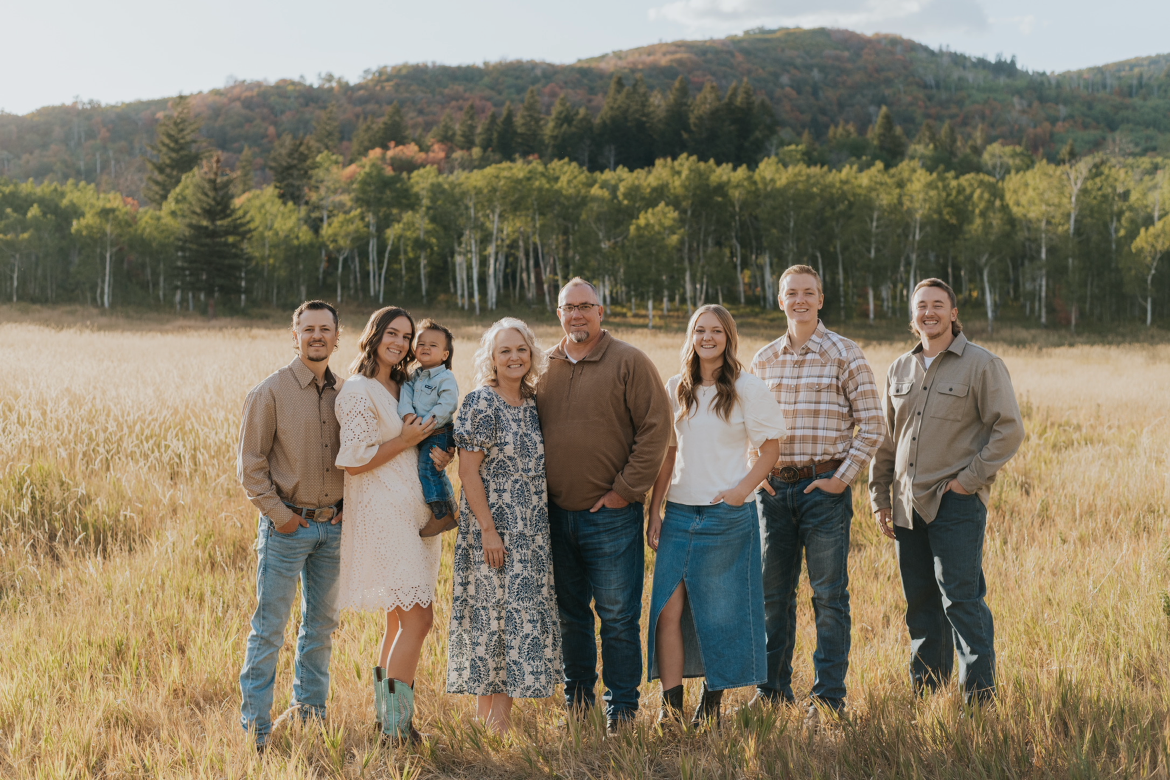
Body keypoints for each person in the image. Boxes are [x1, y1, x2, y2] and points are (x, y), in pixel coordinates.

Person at [869, 278, 1023, 705]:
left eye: (938, 305)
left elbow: (1009, 430)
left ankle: (979, 700)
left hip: (954, 504)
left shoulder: (981, 364)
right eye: (921, 306)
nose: (929, 313)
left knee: (962, 601)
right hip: (905, 506)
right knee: (920, 604)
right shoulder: (899, 368)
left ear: (953, 313)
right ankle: (928, 695)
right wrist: (880, 497)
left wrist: (966, 483)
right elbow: (886, 439)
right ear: (913, 315)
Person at [749, 265, 884, 724]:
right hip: (773, 491)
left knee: (829, 596)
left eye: (809, 293)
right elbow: (751, 426)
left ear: (821, 299)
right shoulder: (764, 359)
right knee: (773, 596)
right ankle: (772, 690)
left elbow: (873, 423)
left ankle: (828, 699)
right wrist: (757, 472)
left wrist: (842, 478)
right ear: (781, 300)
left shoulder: (845, 353)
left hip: (823, 489)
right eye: (792, 293)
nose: (800, 300)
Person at [536, 277, 673, 733]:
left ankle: (623, 710)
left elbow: (657, 430)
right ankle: (578, 703)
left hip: (611, 517)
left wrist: (624, 492)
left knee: (617, 617)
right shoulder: (543, 366)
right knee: (570, 615)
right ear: (559, 313)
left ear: (601, 311)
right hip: (556, 516)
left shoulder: (629, 361)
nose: (577, 314)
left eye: (585, 306)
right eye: (568, 307)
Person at [646, 305, 788, 728]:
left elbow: (771, 450)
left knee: (718, 614)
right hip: (678, 514)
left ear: (728, 337)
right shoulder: (675, 388)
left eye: (716, 331)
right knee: (666, 613)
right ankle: (670, 712)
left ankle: (710, 709)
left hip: (726, 516)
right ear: (690, 337)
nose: (707, 338)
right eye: (699, 331)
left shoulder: (748, 387)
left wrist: (740, 492)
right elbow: (668, 455)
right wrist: (655, 510)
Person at [333, 306, 449, 743]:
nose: (400, 343)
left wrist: (439, 452)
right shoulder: (358, 390)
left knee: (398, 623)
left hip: (415, 512)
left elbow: (422, 439)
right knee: (419, 621)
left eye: (406, 336)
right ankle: (398, 729)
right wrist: (404, 440)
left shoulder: (406, 384)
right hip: (384, 515)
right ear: (374, 334)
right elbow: (355, 460)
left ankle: (386, 720)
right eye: (392, 334)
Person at [237, 300, 346, 751]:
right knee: (269, 630)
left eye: (325, 329)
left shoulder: (348, 393)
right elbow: (249, 466)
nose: (317, 336)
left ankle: (311, 713)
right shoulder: (271, 391)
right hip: (287, 527)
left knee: (320, 627)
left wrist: (348, 508)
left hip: (334, 528)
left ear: (337, 338)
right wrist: (282, 519)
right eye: (308, 329)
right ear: (294, 335)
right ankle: (257, 731)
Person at [446, 318, 562, 734]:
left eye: (521, 350)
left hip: (530, 534)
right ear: (491, 359)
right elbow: (468, 473)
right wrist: (489, 531)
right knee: (490, 623)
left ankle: (499, 724)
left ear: (531, 355)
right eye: (504, 351)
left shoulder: (532, 402)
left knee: (515, 622)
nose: (514, 357)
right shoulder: (481, 402)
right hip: (492, 531)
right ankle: (488, 727)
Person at [399, 318, 459, 537]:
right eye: (421, 344)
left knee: (429, 470)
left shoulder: (445, 377)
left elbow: (448, 404)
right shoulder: (414, 376)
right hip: (421, 431)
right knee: (433, 471)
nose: (425, 348)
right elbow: (405, 393)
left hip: (438, 432)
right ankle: (451, 510)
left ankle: (440, 514)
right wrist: (407, 414)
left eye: (433, 345)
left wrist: (426, 423)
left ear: (444, 355)